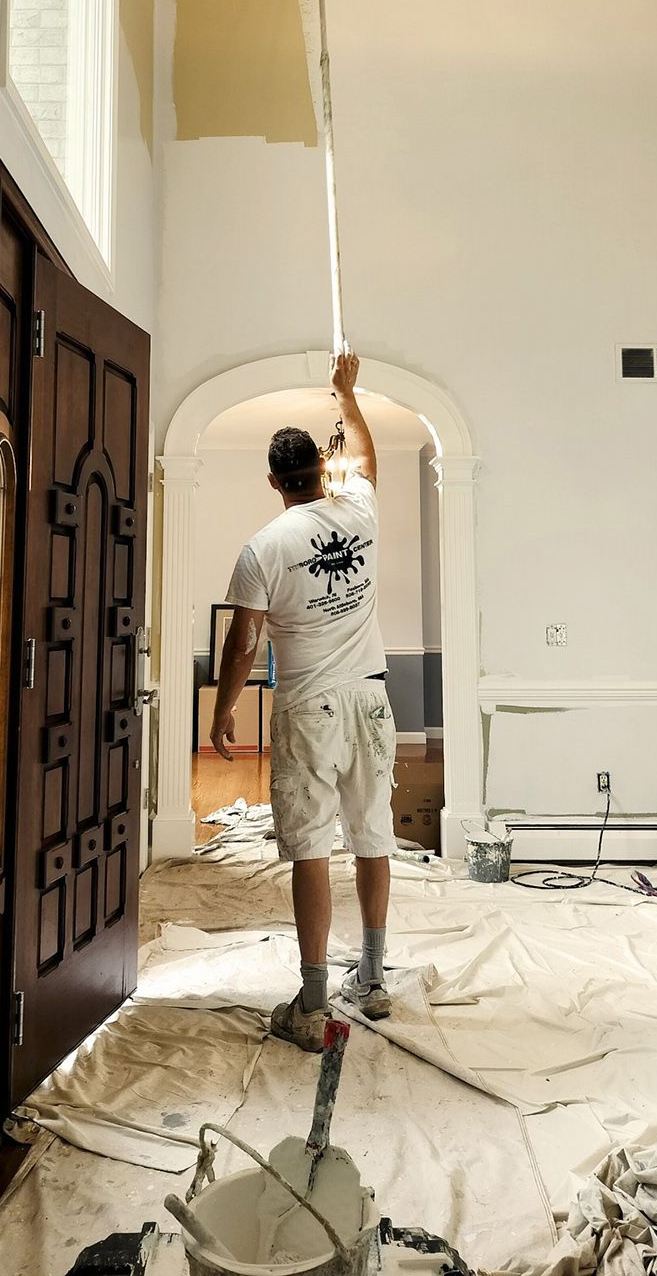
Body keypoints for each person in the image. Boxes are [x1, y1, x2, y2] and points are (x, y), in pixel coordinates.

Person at [210, 350, 396, 1052]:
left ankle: (315, 995)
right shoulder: (361, 509)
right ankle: (373, 979)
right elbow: (370, 454)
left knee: (312, 847)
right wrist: (347, 393)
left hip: (309, 707)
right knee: (372, 834)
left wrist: (225, 708)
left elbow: (241, 646)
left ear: (272, 481)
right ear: (323, 470)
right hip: (372, 702)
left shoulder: (262, 549)